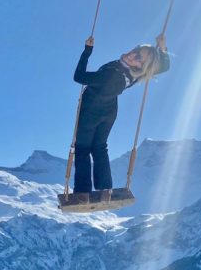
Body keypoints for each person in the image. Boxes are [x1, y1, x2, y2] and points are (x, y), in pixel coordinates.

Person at [72, 35, 170, 194]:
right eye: (137, 50)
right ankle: (105, 190)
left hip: (91, 111)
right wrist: (162, 48)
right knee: (99, 147)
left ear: (141, 66)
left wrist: (87, 52)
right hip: (109, 112)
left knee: (83, 149)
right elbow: (164, 66)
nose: (133, 54)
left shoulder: (111, 76)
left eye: (138, 57)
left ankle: (83, 193)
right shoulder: (132, 75)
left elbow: (79, 77)